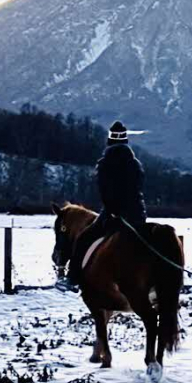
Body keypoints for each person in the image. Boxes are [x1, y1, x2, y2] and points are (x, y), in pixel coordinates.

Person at [66, 120, 147, 288]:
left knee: (83, 239)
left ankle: (72, 278)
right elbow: (137, 189)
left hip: (113, 213)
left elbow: (106, 192)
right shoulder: (135, 163)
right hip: (137, 214)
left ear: (109, 141)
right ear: (125, 141)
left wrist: (112, 211)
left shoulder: (105, 164)